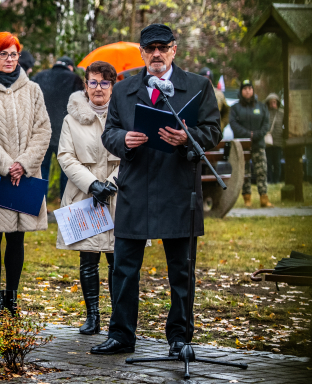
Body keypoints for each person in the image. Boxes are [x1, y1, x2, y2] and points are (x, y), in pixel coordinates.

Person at [91, 23, 221, 356]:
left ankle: (179, 338)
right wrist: (124, 141)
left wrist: (187, 138)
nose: (157, 54)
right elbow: (110, 133)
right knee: (124, 267)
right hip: (136, 187)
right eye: (150, 49)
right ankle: (121, 335)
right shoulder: (123, 89)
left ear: (174, 50)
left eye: (163, 47)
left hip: (178, 188)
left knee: (181, 270)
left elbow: (212, 131)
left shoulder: (197, 86)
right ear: (142, 52)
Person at [0, 32, 51, 318]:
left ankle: (12, 297)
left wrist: (25, 163)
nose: (9, 59)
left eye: (13, 54)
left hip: (25, 174)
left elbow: (43, 130)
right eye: (3, 53)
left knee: (18, 238)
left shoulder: (32, 90)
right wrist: (8, 165)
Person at [56, 60, 120, 335]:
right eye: (93, 82)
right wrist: (93, 184)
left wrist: (112, 183)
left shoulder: (123, 116)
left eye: (104, 83)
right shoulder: (71, 119)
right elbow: (65, 157)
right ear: (85, 84)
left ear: (112, 86)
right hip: (85, 194)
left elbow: (133, 155)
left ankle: (119, 317)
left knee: (118, 260)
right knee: (89, 258)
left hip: (119, 195)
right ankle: (92, 315)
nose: (98, 88)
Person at [33, 56, 85, 199]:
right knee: (67, 171)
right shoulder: (74, 79)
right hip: (65, 133)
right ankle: (65, 207)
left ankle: (38, 208)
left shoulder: (39, 76)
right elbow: (81, 107)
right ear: (70, 67)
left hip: (40, 132)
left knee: (40, 171)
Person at [231, 80, 274, 208]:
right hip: (243, 145)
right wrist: (247, 135)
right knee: (245, 173)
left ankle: (264, 198)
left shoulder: (261, 107)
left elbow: (266, 124)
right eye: (245, 89)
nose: (248, 91)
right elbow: (234, 125)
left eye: (250, 88)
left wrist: (255, 135)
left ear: (253, 90)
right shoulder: (236, 108)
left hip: (258, 144)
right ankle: (247, 198)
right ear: (241, 91)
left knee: (262, 171)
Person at [199, 67, 230, 131]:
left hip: (215, 133)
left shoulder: (219, 95)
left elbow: (227, 111)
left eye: (208, 78)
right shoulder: (195, 93)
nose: (206, 80)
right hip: (198, 133)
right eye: (203, 78)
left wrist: (221, 125)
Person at [265, 93, 284, 184]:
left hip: (278, 141)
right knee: (268, 163)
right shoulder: (265, 113)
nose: (273, 104)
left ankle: (276, 180)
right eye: (271, 102)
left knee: (277, 163)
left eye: (274, 102)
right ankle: (270, 180)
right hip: (268, 142)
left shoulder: (281, 113)